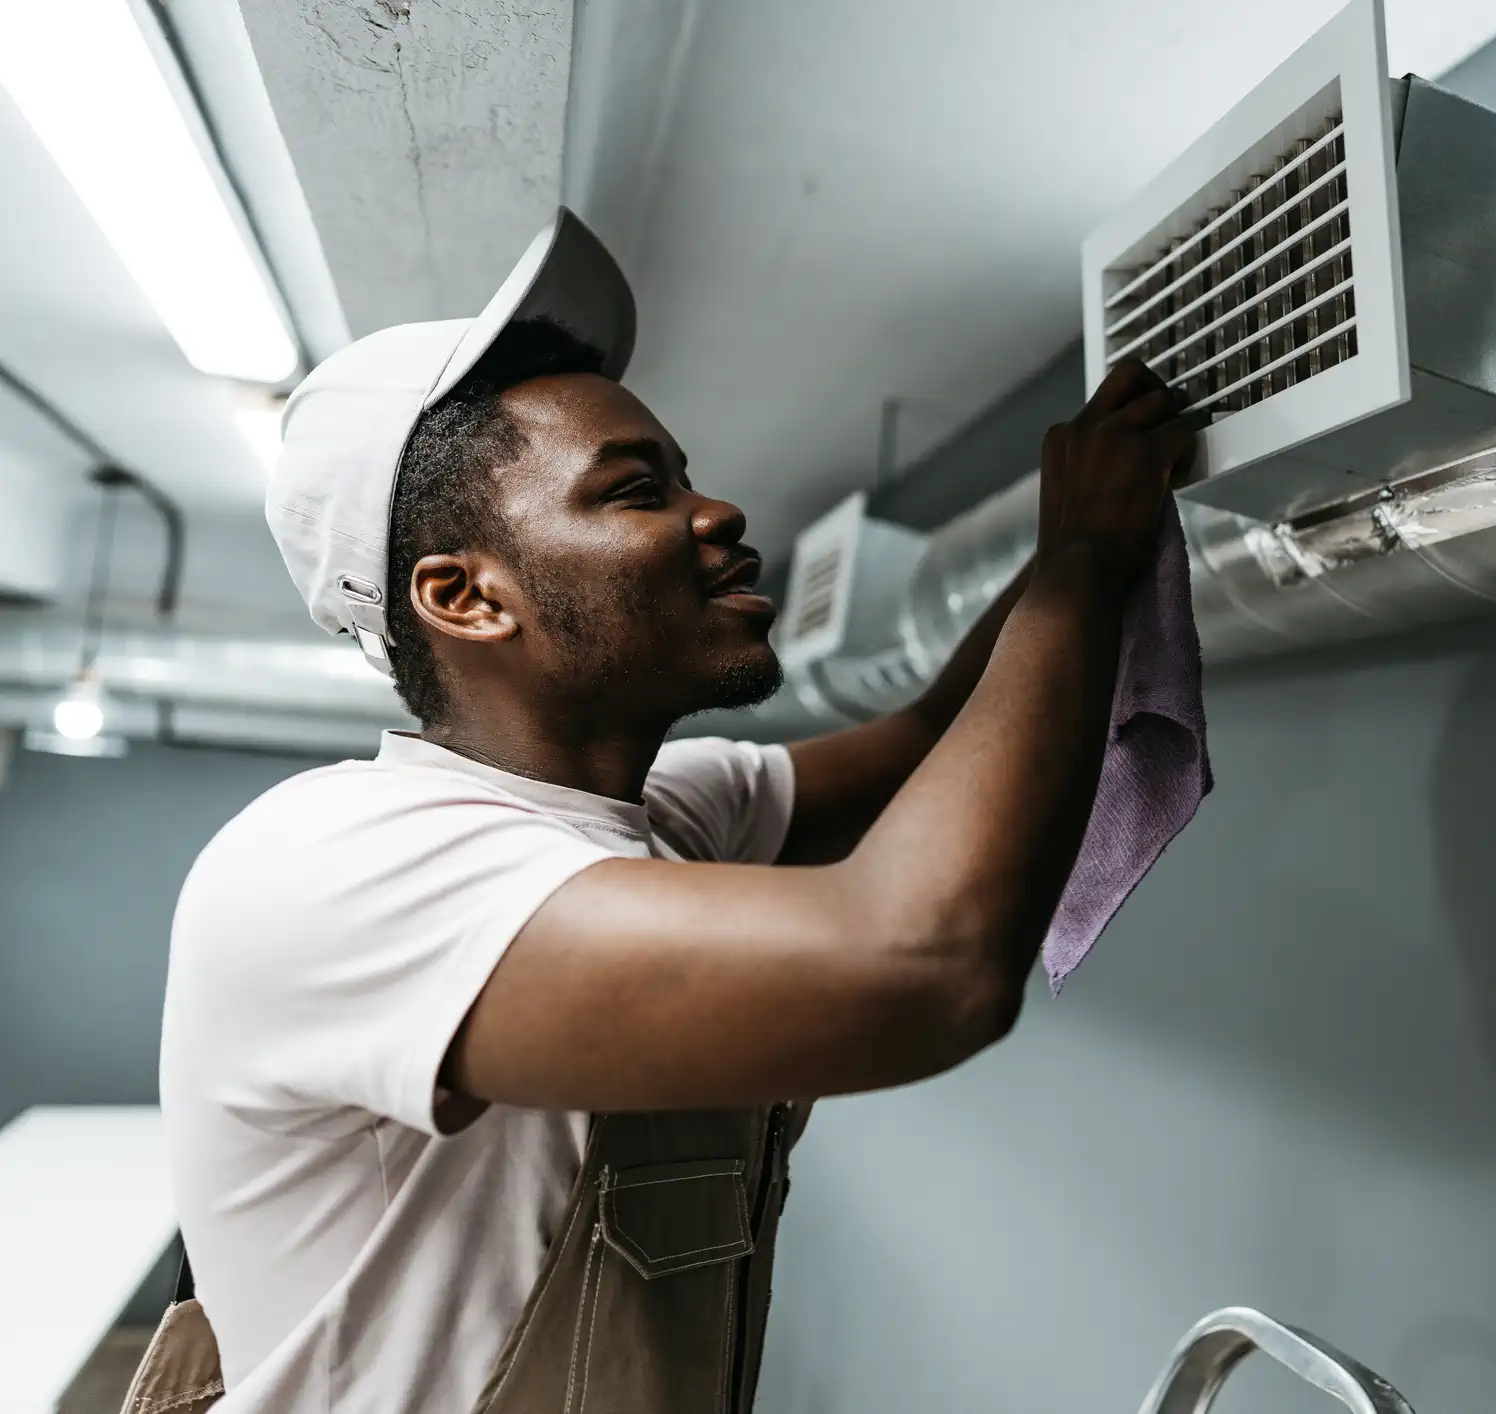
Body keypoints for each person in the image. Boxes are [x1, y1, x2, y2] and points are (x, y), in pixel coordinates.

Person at [148, 210, 1194, 1414]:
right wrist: (1075, 573)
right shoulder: (335, 860)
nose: (720, 513)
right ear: (466, 597)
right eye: (639, 491)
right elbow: (925, 963)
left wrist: (1078, 538)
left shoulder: (656, 817)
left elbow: (924, 745)